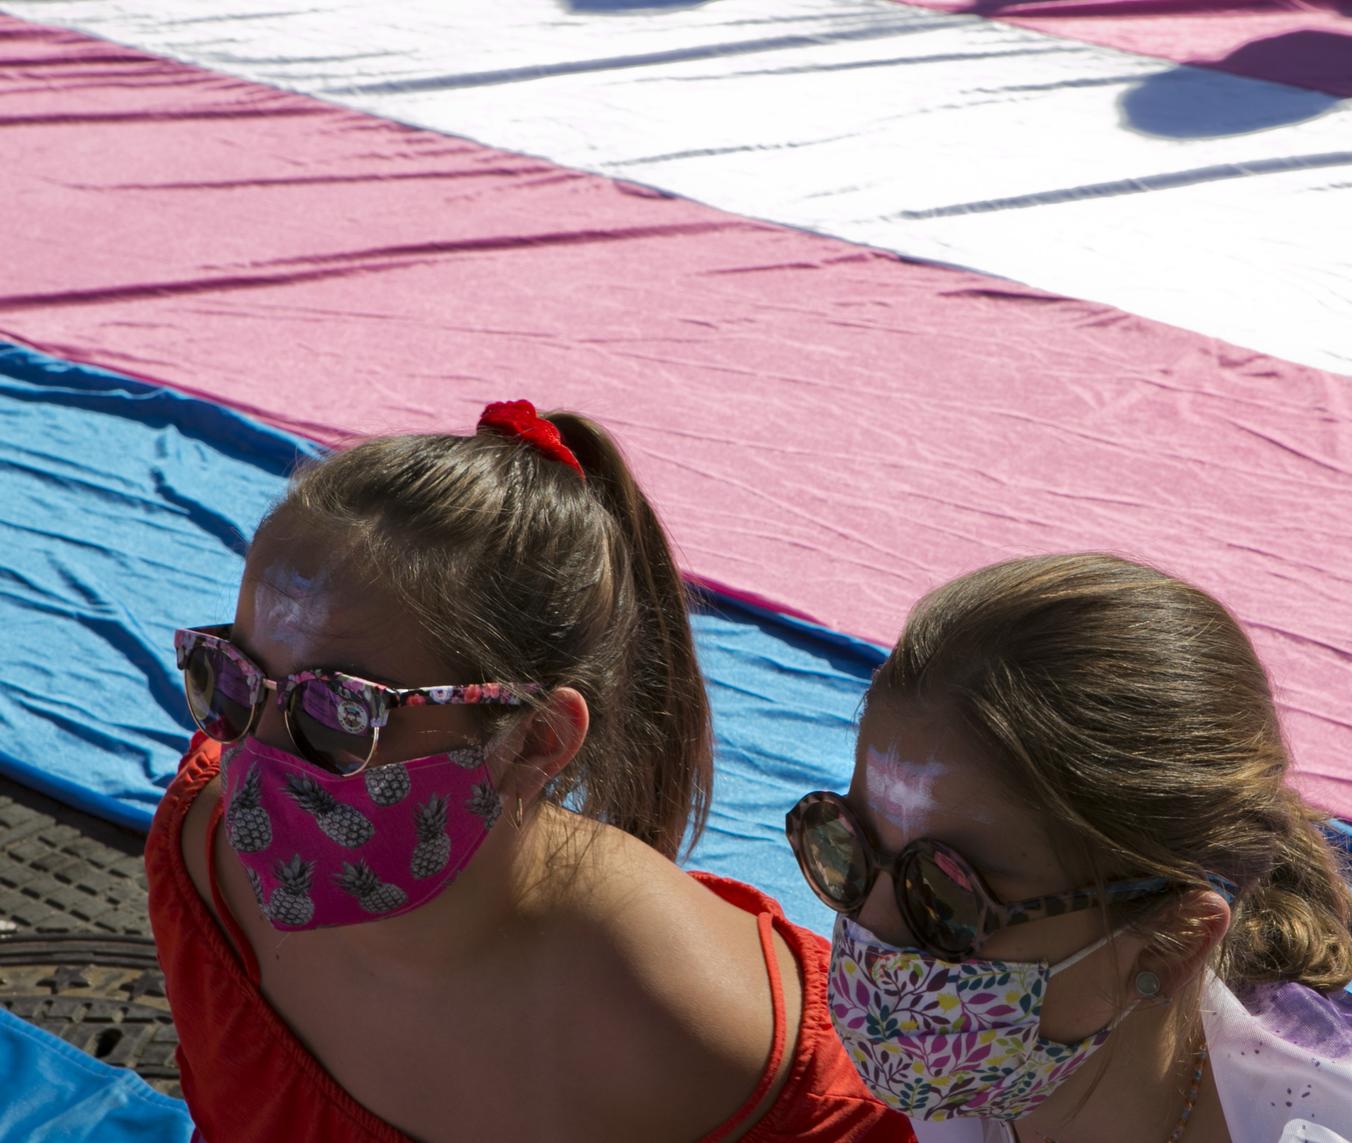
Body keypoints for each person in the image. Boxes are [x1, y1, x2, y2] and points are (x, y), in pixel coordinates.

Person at [149, 400, 913, 1143]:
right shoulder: (198, 847)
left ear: (535, 741)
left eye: (341, 711)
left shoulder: (686, 1030)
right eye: (234, 679)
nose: (256, 758)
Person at [786, 554, 1352, 1143]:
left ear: (1170, 947)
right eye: (846, 848)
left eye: (947, 894)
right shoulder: (992, 1071)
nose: (873, 931)